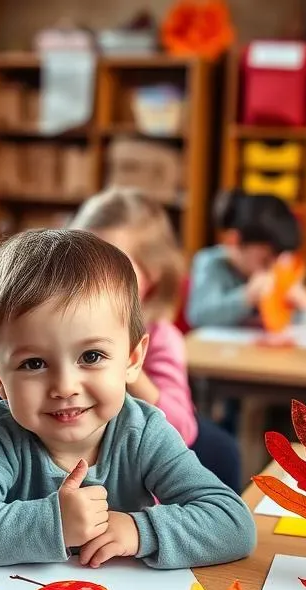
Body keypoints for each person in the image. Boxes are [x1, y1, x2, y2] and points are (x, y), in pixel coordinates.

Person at [0, 228, 256, 568]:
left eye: (91, 356)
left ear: (132, 359)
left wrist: (140, 530)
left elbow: (234, 524)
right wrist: (55, 524)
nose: (65, 387)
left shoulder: (143, 432)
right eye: (34, 364)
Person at [72, 187, 242, 490]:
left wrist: (124, 362)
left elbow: (182, 430)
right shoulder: (55, 332)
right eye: (81, 263)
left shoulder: (162, 338)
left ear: (152, 275)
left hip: (137, 495)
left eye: (114, 268)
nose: (93, 280)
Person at [185, 190, 306, 328]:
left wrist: (297, 307)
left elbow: (292, 319)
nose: (271, 267)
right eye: (265, 260)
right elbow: (198, 316)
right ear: (233, 241)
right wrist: (246, 297)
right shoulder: (211, 263)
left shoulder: (277, 268)